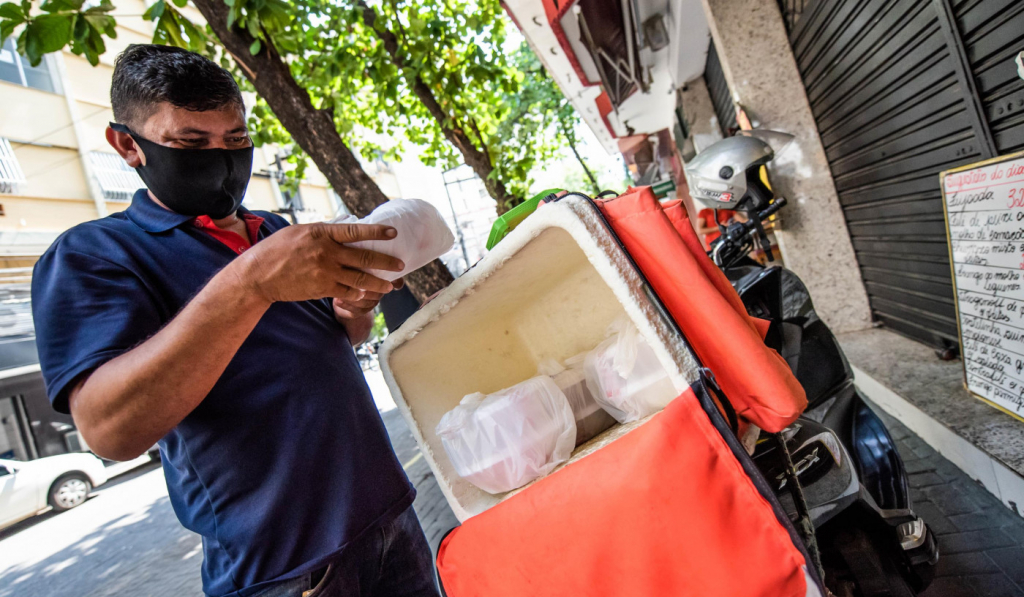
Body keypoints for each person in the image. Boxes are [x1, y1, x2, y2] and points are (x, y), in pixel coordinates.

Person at [31, 45, 439, 597]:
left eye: (236, 140)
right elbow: (110, 431)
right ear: (128, 144)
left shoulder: (272, 230)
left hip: (391, 517)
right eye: (191, 143)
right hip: (289, 570)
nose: (221, 159)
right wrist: (250, 283)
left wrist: (351, 311)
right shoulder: (94, 255)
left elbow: (333, 343)